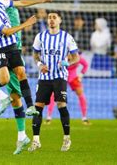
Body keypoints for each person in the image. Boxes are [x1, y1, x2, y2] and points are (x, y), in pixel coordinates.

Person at [28, 12, 80, 152]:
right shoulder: (40, 36)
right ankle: (36, 140)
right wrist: (39, 65)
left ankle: (66, 139)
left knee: (61, 105)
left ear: (60, 20)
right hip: (44, 77)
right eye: (49, 17)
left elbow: (76, 57)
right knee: (37, 108)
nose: (51, 20)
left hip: (59, 77)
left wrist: (66, 62)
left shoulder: (67, 37)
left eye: (54, 17)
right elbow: (35, 54)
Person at [46, 55, 90, 125]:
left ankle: (84, 118)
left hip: (73, 78)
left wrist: (81, 74)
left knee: (81, 95)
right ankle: (48, 117)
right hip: (62, 77)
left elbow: (86, 65)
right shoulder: (61, 57)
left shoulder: (77, 57)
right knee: (53, 95)